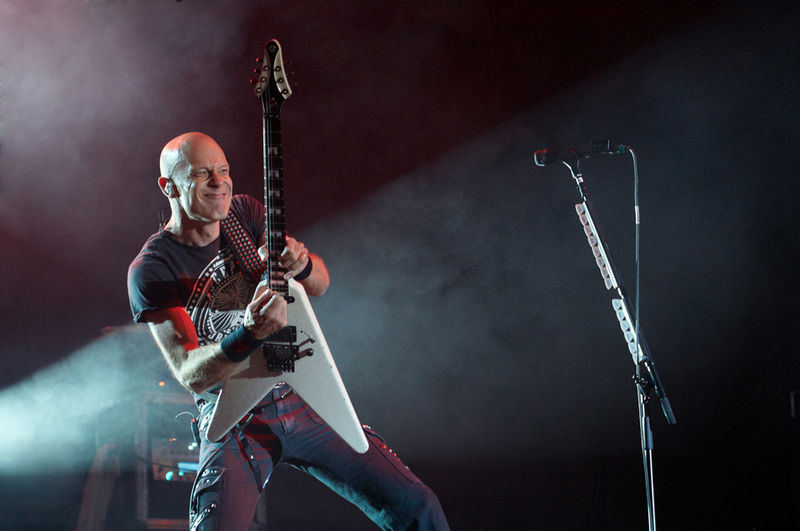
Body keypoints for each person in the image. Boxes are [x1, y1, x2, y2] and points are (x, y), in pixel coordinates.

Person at [127, 132, 449, 530]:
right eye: (201, 174)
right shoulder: (153, 267)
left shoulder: (243, 214)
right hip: (233, 414)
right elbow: (190, 372)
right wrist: (248, 334)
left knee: (416, 504)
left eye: (224, 170)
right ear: (169, 186)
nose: (219, 182)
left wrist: (302, 263)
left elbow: (320, 283)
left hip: (299, 391)